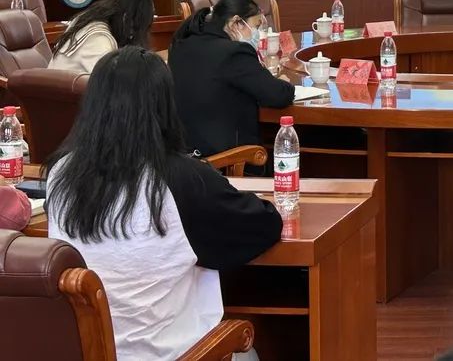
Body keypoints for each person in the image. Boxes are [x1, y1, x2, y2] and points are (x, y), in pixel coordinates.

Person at [46, 47, 281, 361]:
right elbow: (264, 225)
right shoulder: (180, 179)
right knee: (247, 353)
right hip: (174, 354)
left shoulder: (60, 173)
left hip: (87, 351)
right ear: (164, 106)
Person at [169, 0, 294, 159]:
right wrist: (284, 83)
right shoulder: (234, 52)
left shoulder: (181, 44)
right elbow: (278, 95)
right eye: (256, 26)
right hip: (228, 160)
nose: (257, 33)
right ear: (236, 23)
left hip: (183, 158)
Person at [50, 0, 155, 74]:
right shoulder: (98, 39)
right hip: (62, 91)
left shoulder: (86, 20)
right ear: (126, 18)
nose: (132, 35)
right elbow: (111, 84)